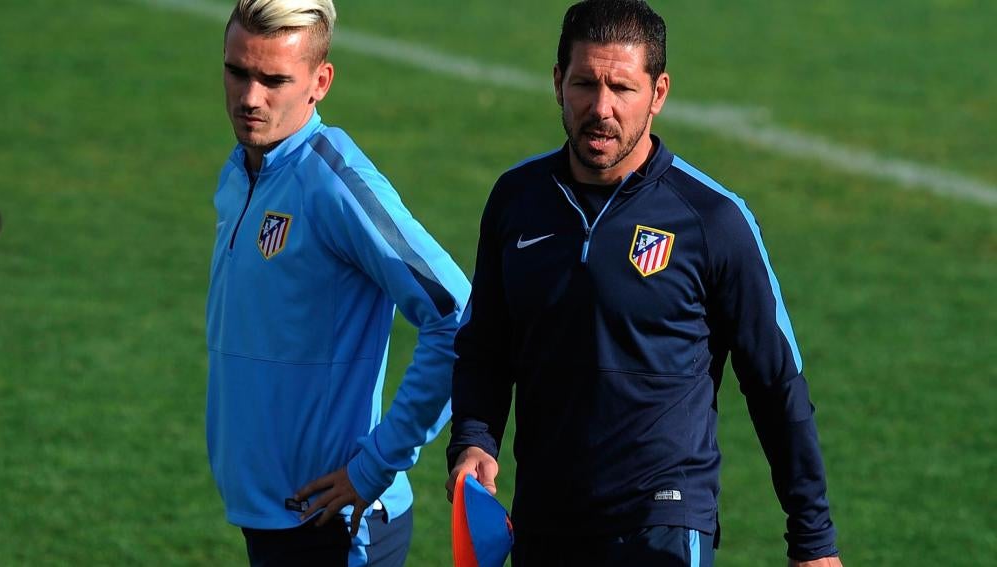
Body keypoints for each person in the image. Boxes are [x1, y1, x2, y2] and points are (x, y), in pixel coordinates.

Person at [446, 1, 843, 566]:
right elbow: (485, 346)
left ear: (658, 93)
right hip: (545, 520)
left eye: (622, 88)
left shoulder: (711, 220)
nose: (601, 108)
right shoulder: (516, 201)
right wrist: (473, 440)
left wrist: (814, 541)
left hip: (662, 518)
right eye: (585, 83)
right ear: (558, 82)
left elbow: (776, 382)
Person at [206, 1, 470, 565]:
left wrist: (377, 463)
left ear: (319, 81)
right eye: (237, 71)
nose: (250, 97)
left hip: (336, 529)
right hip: (269, 516)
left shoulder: (335, 183)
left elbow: (458, 316)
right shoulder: (240, 171)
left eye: (274, 79)